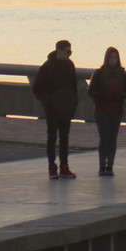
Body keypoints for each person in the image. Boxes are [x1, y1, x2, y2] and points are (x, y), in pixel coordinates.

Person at [32, 40, 79, 179]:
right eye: (67, 52)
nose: (69, 55)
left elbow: (74, 87)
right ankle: (52, 167)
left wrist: (73, 103)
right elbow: (37, 88)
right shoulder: (47, 67)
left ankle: (64, 167)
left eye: (70, 52)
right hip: (52, 110)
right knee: (52, 137)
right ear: (58, 51)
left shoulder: (70, 66)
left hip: (66, 109)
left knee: (64, 138)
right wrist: (48, 102)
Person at [87, 46, 126, 176]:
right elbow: (91, 90)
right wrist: (103, 96)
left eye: (115, 57)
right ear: (106, 58)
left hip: (116, 109)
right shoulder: (99, 73)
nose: (113, 60)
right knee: (104, 137)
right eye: (111, 57)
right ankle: (102, 165)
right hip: (102, 109)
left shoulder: (122, 74)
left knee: (112, 137)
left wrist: (120, 96)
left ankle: (110, 166)